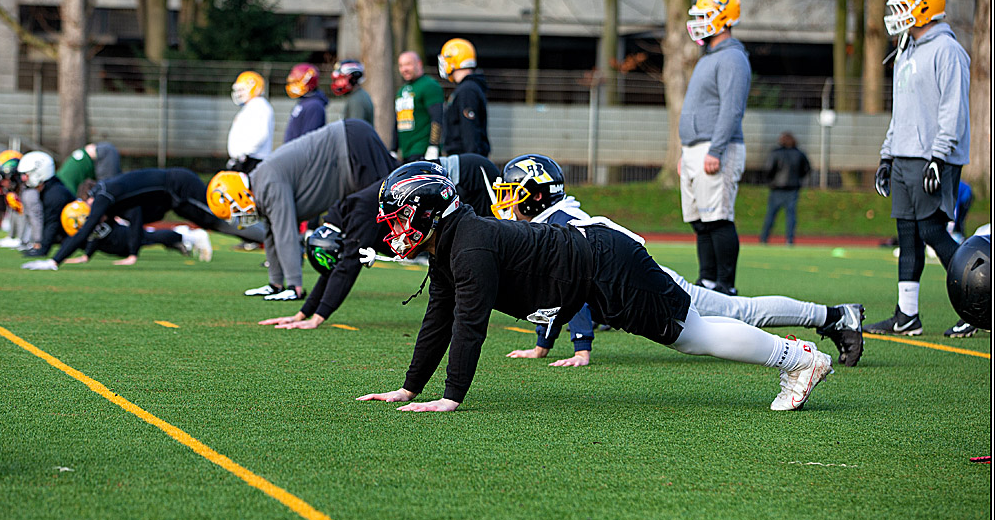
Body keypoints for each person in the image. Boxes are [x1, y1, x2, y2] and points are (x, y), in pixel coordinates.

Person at [356, 165, 834, 413]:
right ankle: (795, 356)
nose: (394, 228)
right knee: (697, 331)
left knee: (694, 336)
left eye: (399, 216)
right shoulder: (453, 241)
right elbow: (439, 316)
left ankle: (797, 361)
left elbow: (469, 325)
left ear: (427, 211)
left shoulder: (470, 245)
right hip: (592, 267)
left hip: (607, 263)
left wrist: (451, 396)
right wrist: (408, 388)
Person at [496, 153, 866, 368]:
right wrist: (543, 344)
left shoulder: (559, 225)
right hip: (638, 278)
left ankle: (833, 317)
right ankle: (830, 319)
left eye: (512, 193)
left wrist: (582, 347)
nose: (507, 202)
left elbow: (570, 286)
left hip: (650, 281)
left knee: (742, 312)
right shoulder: (553, 220)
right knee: (736, 314)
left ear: (536, 196)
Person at [259, 154, 499, 330]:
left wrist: (317, 318)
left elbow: (346, 268)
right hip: (457, 178)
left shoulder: (360, 215)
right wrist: (303, 313)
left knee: (488, 240)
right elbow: (336, 268)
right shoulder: (342, 217)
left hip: (473, 175)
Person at [865, 0, 971, 339]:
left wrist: (938, 158)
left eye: (904, 5)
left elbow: (952, 110)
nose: (897, 13)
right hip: (906, 156)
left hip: (932, 157)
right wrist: (886, 156)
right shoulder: (907, 48)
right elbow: (902, 113)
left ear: (925, 8)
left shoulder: (947, 50)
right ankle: (906, 316)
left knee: (931, 230)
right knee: (907, 233)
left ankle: (979, 302)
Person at [207, 118, 398, 301]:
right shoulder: (260, 183)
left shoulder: (268, 183)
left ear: (239, 195)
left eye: (235, 210)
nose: (239, 216)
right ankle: (277, 285)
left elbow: (286, 234)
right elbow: (272, 234)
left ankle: (421, 250)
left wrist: (294, 285)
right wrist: (275, 283)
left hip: (353, 144)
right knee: (383, 211)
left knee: (387, 211)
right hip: (350, 145)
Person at [22, 167, 263, 270]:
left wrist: (55, 261)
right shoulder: (107, 197)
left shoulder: (103, 196)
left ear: (89, 200)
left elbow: (87, 229)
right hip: (169, 198)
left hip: (179, 185)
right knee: (215, 224)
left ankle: (268, 225)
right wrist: (87, 255)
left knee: (220, 215)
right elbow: (124, 220)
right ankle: (268, 234)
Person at [679, 0, 751, 296]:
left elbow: (731, 108)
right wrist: (686, 151)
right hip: (696, 148)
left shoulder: (732, 58)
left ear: (723, 19)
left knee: (718, 218)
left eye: (704, 16)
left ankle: (726, 286)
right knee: (700, 220)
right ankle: (707, 281)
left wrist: (716, 149)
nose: (698, 22)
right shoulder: (707, 57)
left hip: (716, 147)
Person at [58, 199, 211, 264]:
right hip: (121, 244)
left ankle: (187, 235)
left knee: (152, 237)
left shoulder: (102, 217)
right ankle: (182, 237)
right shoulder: (94, 227)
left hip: (126, 237)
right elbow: (94, 240)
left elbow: (95, 237)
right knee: (153, 238)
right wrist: (85, 257)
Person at [15, 151, 75, 259]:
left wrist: (43, 248)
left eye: (27, 174)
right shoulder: (51, 188)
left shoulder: (54, 194)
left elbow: (52, 223)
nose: (24, 178)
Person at [437, 38, 489, 157]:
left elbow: (469, 130)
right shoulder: (468, 87)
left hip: (463, 157)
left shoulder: (467, 90)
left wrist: (471, 161)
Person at [759, 132, 811, 245]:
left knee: (771, 215)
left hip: (777, 188)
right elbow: (806, 169)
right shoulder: (799, 154)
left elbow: (768, 168)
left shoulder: (776, 153)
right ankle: (790, 240)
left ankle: (764, 238)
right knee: (791, 216)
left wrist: (770, 181)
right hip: (793, 189)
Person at [394, 51, 445, 161]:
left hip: (422, 151)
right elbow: (397, 121)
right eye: (401, 65)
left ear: (419, 64)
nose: (404, 69)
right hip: (406, 152)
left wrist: (433, 145)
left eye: (408, 64)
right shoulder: (401, 90)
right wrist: (393, 149)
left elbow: (437, 117)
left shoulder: (430, 86)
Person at [227, 70, 274, 173]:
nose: (239, 93)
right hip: (246, 160)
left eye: (242, 89)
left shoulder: (260, 106)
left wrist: (244, 155)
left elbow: (260, 135)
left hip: (251, 161)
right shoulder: (251, 106)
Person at [283, 63, 329, 143]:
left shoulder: (314, 106)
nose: (292, 86)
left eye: (296, 82)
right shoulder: (304, 101)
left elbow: (309, 140)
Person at [55, 142, 122, 195]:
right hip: (93, 152)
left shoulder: (65, 186)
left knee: (109, 189)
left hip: (99, 155)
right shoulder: (62, 180)